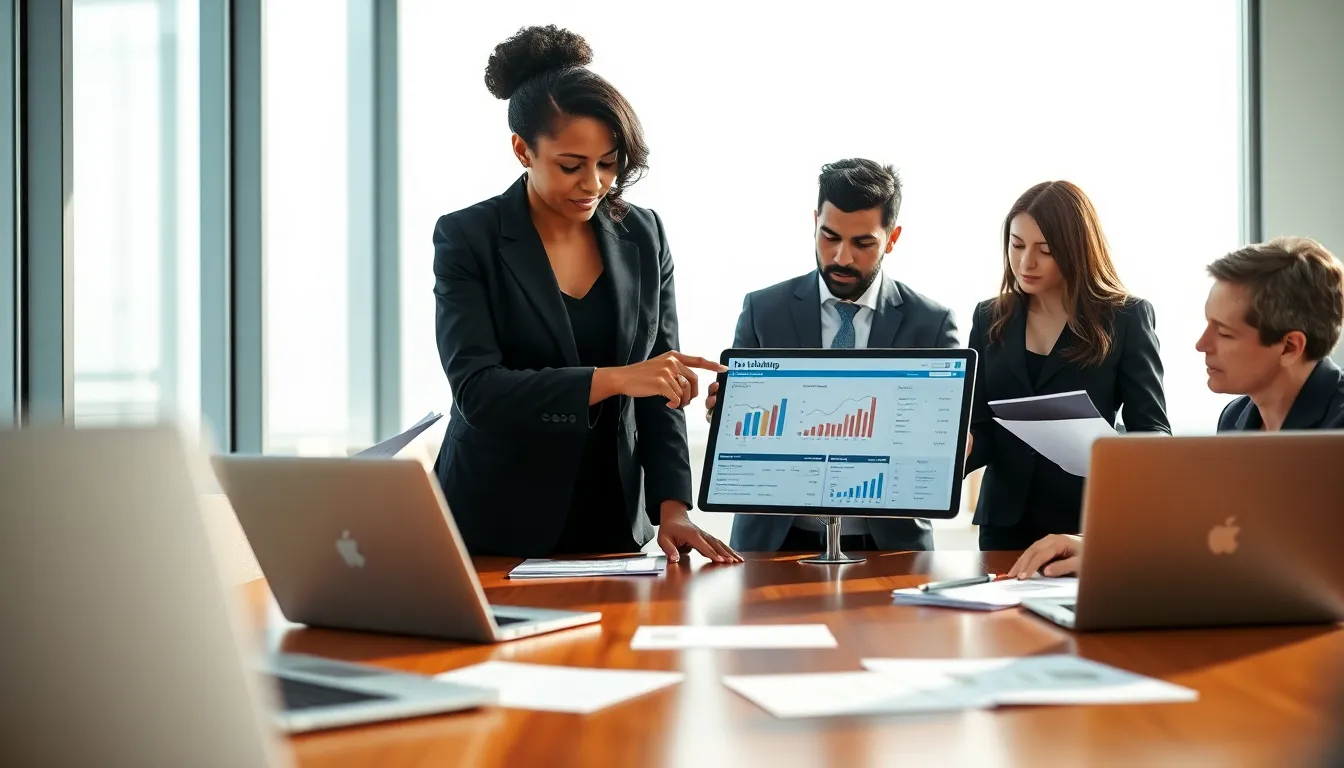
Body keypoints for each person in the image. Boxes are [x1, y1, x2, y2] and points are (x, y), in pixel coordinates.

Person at [431, 25, 741, 563]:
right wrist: (617, 379)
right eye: (571, 166)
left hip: (613, 522)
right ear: (523, 150)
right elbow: (479, 393)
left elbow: (660, 384)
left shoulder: (644, 235)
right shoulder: (467, 238)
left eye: (609, 163)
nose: (594, 184)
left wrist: (673, 507)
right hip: (495, 519)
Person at [1007, 235, 1344, 578]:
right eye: (1207, 324)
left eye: (1224, 333)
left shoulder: (1338, 428)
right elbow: (1220, 540)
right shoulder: (1237, 418)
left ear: (1289, 346)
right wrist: (1099, 546)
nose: (1202, 344)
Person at [702, 159, 959, 553]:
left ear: (892, 238)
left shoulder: (933, 323)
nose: (841, 257)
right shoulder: (762, 310)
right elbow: (746, 428)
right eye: (829, 236)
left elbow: (937, 447)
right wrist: (727, 415)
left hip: (889, 547)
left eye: (863, 243)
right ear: (814, 222)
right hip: (775, 545)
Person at [967, 181, 1170, 552]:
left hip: (1085, 523)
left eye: (1045, 250)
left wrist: (1108, 449)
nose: (1026, 262)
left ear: (1076, 249)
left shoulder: (1125, 317)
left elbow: (1154, 431)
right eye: (1017, 245)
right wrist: (959, 449)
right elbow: (981, 427)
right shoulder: (989, 316)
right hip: (1004, 522)